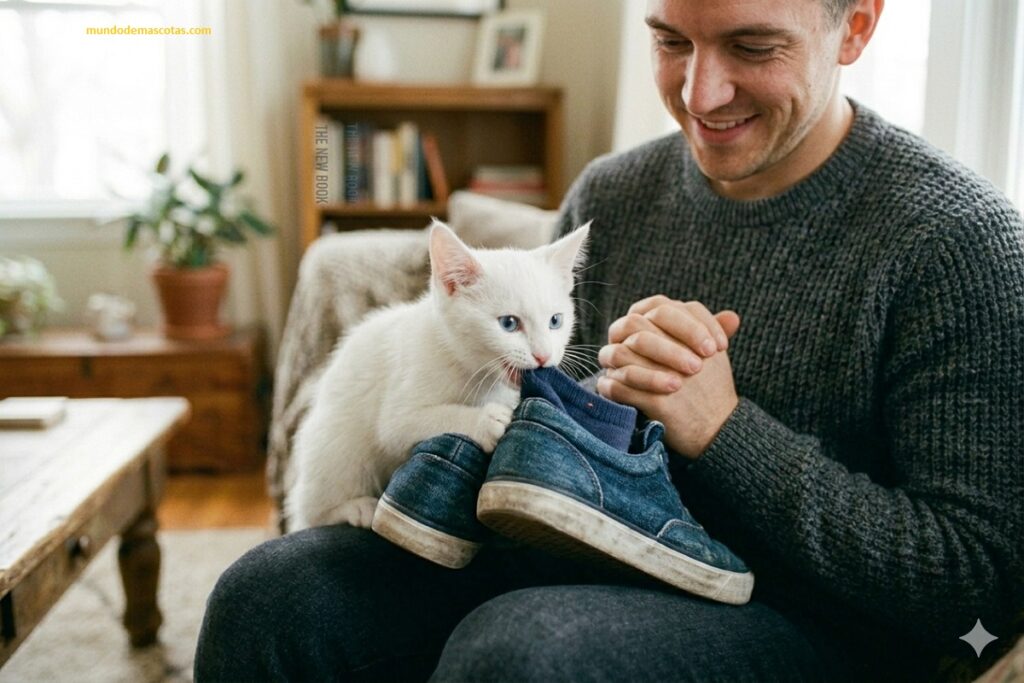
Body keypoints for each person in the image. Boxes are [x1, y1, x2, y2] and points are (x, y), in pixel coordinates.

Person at [194, 0, 1024, 680]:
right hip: (582, 556)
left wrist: (726, 433)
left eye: (752, 45)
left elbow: (973, 584)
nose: (700, 93)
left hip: (814, 620)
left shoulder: (958, 243)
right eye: (670, 41)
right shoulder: (615, 194)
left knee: (520, 655)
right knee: (269, 595)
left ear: (857, 25)